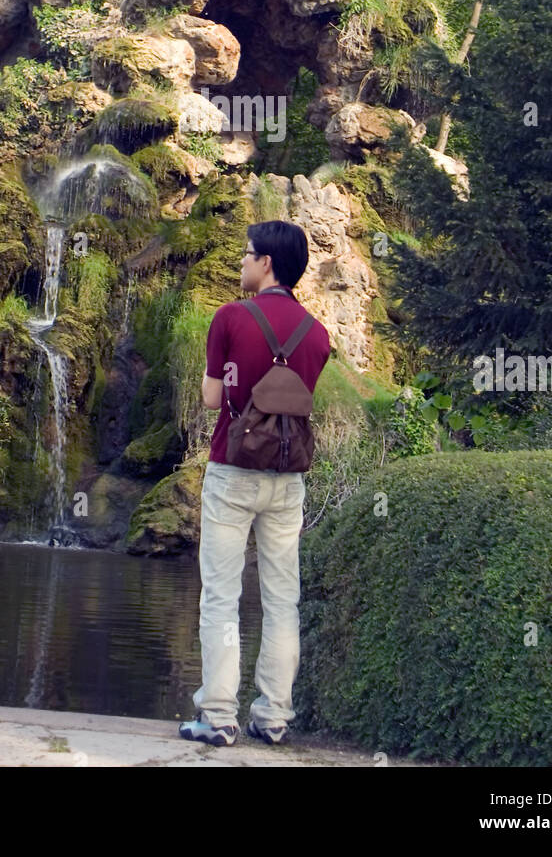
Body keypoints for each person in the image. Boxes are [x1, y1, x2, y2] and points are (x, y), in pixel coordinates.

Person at [178, 219, 331, 747]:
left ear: (267, 262)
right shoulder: (317, 333)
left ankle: (219, 716)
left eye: (247, 255)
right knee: (282, 598)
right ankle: (273, 717)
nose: (241, 262)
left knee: (221, 595)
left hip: (233, 471)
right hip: (287, 479)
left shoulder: (230, 317)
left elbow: (212, 399)